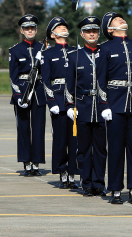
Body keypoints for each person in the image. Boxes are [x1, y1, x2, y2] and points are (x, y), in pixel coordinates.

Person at [98, 12, 132, 204]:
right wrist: (104, 104)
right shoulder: (105, 48)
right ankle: (116, 189)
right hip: (115, 104)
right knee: (116, 149)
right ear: (109, 29)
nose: (122, 20)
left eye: (122, 18)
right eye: (117, 20)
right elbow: (100, 79)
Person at [65, 16, 107, 197]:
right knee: (83, 148)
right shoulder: (74, 56)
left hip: (101, 107)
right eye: (88, 31)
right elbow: (69, 83)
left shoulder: (105, 54)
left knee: (100, 149)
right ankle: (86, 182)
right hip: (82, 106)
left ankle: (99, 182)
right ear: (82, 34)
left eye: (95, 31)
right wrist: (69, 104)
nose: (92, 34)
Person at [9, 15, 52, 177]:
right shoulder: (15, 50)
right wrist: (18, 95)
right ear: (21, 30)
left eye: (32, 28)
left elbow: (47, 74)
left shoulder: (43, 48)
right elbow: (13, 76)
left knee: (39, 128)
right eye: (27, 28)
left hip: (39, 91)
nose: (30, 30)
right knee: (23, 128)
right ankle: (26, 161)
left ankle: (36, 162)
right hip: (23, 92)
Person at [40, 17, 78, 189]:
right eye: (60, 27)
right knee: (61, 139)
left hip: (75, 100)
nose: (64, 29)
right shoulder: (48, 54)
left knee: (75, 139)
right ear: (53, 34)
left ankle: (73, 172)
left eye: (64, 26)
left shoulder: (76, 51)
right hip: (58, 100)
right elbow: (46, 80)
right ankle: (62, 171)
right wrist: (51, 101)